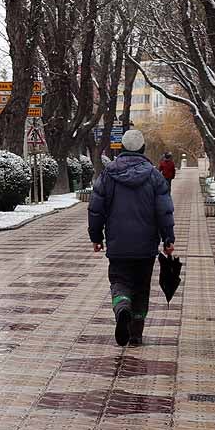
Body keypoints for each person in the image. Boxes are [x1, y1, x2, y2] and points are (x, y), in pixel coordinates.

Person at [88, 130, 175, 346]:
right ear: (143, 149)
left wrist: (96, 236)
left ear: (122, 149)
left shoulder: (107, 175)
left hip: (118, 244)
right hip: (146, 246)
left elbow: (96, 209)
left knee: (119, 281)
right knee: (142, 287)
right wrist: (168, 239)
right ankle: (136, 332)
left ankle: (122, 308)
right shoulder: (154, 176)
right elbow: (164, 211)